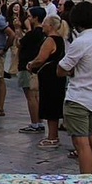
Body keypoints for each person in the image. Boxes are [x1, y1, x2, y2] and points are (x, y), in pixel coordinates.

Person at [58, 2, 92, 175]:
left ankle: (86, 179)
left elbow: (61, 69)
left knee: (81, 144)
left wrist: (69, 70)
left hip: (78, 97)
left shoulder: (81, 42)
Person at [27, 16, 67, 150]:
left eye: (45, 23)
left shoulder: (50, 40)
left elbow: (41, 58)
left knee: (50, 104)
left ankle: (52, 136)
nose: (42, 25)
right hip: (56, 76)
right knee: (53, 104)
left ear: (51, 26)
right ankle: (53, 135)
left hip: (50, 77)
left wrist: (31, 64)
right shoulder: (60, 39)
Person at [15, 13, 45, 133]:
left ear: (36, 18)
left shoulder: (33, 33)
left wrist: (18, 28)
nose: (27, 18)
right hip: (38, 68)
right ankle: (40, 122)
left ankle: (34, 123)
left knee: (31, 97)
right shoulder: (42, 33)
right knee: (37, 96)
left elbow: (19, 43)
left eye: (29, 16)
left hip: (27, 66)